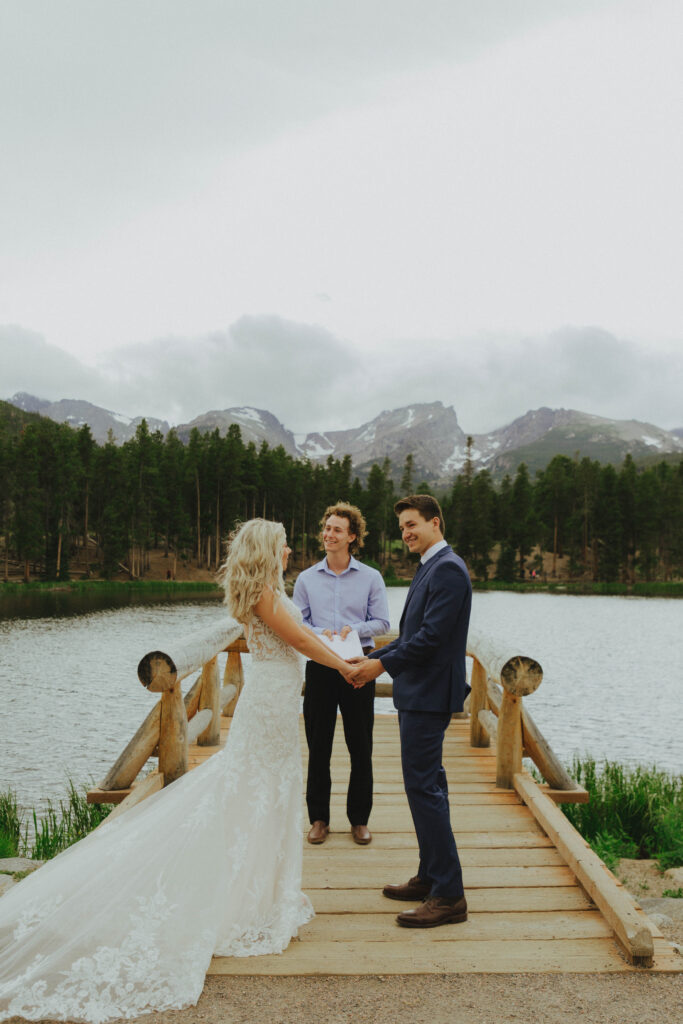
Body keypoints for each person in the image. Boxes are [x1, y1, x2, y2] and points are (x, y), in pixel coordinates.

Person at [0, 520, 357, 1024]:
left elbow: (303, 634)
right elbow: (299, 641)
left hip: (273, 702)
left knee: (267, 793)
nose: (289, 549)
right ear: (266, 551)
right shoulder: (266, 595)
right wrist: (345, 664)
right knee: (257, 792)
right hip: (271, 702)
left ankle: (260, 895)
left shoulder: (268, 592)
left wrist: (335, 636)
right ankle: (245, 902)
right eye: (282, 543)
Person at [349, 494, 472, 928]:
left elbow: (432, 640)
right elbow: (410, 635)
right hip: (419, 692)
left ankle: (450, 896)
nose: (406, 532)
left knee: (423, 789)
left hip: (430, 694)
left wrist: (379, 665)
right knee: (428, 785)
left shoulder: (449, 570)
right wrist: (374, 658)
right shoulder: (430, 568)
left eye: (412, 524)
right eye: (402, 526)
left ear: (435, 523)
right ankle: (430, 875)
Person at [293, 503, 390, 846]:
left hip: (357, 666)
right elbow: (297, 623)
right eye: (326, 527)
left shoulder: (370, 577)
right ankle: (319, 819)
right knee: (318, 746)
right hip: (320, 667)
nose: (328, 534)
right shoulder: (306, 579)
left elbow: (383, 623)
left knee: (360, 745)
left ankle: (359, 820)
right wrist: (321, 632)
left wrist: (353, 628)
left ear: (352, 537)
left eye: (336, 529)